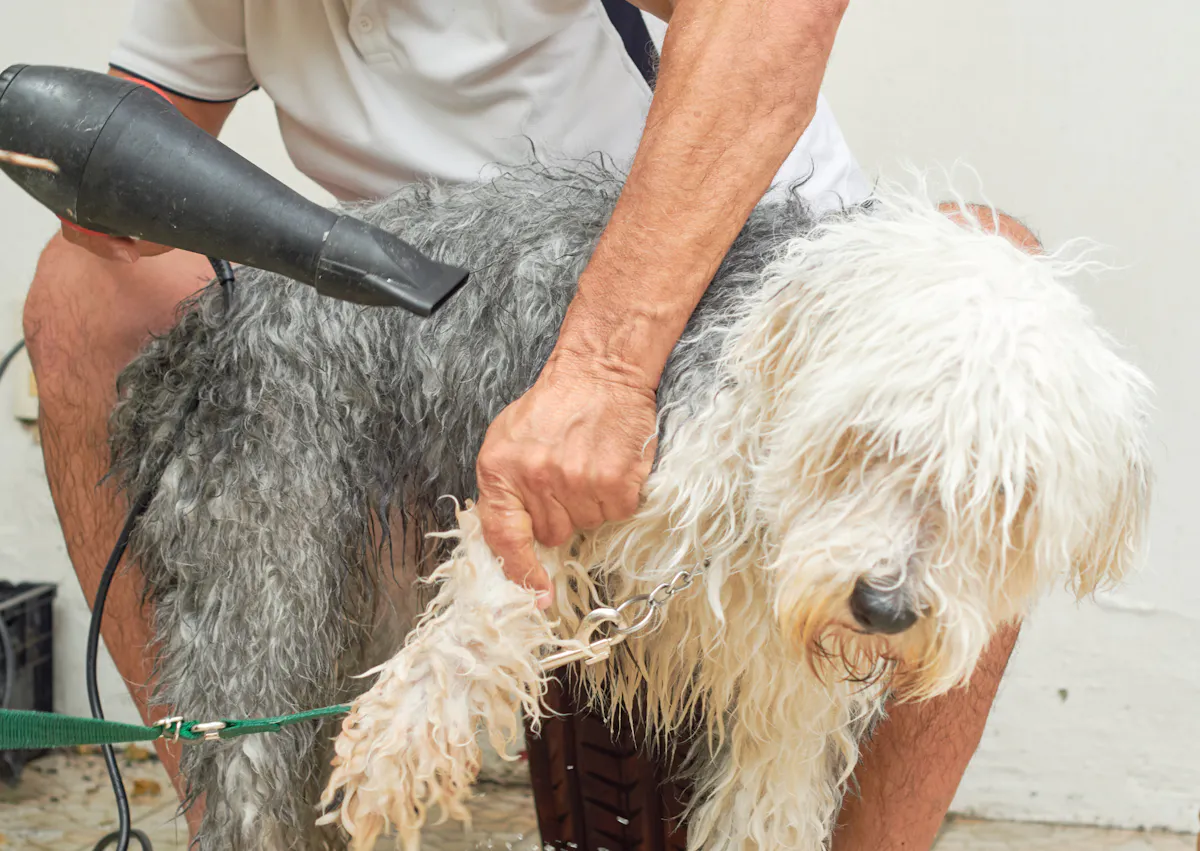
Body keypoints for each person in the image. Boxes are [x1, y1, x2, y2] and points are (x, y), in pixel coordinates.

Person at [20, 0, 1020, 847]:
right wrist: (108, 179)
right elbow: (142, 136)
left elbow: (772, 17)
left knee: (993, 294)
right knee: (86, 294)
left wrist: (605, 369)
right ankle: (243, 810)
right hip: (425, 328)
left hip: (697, 298)